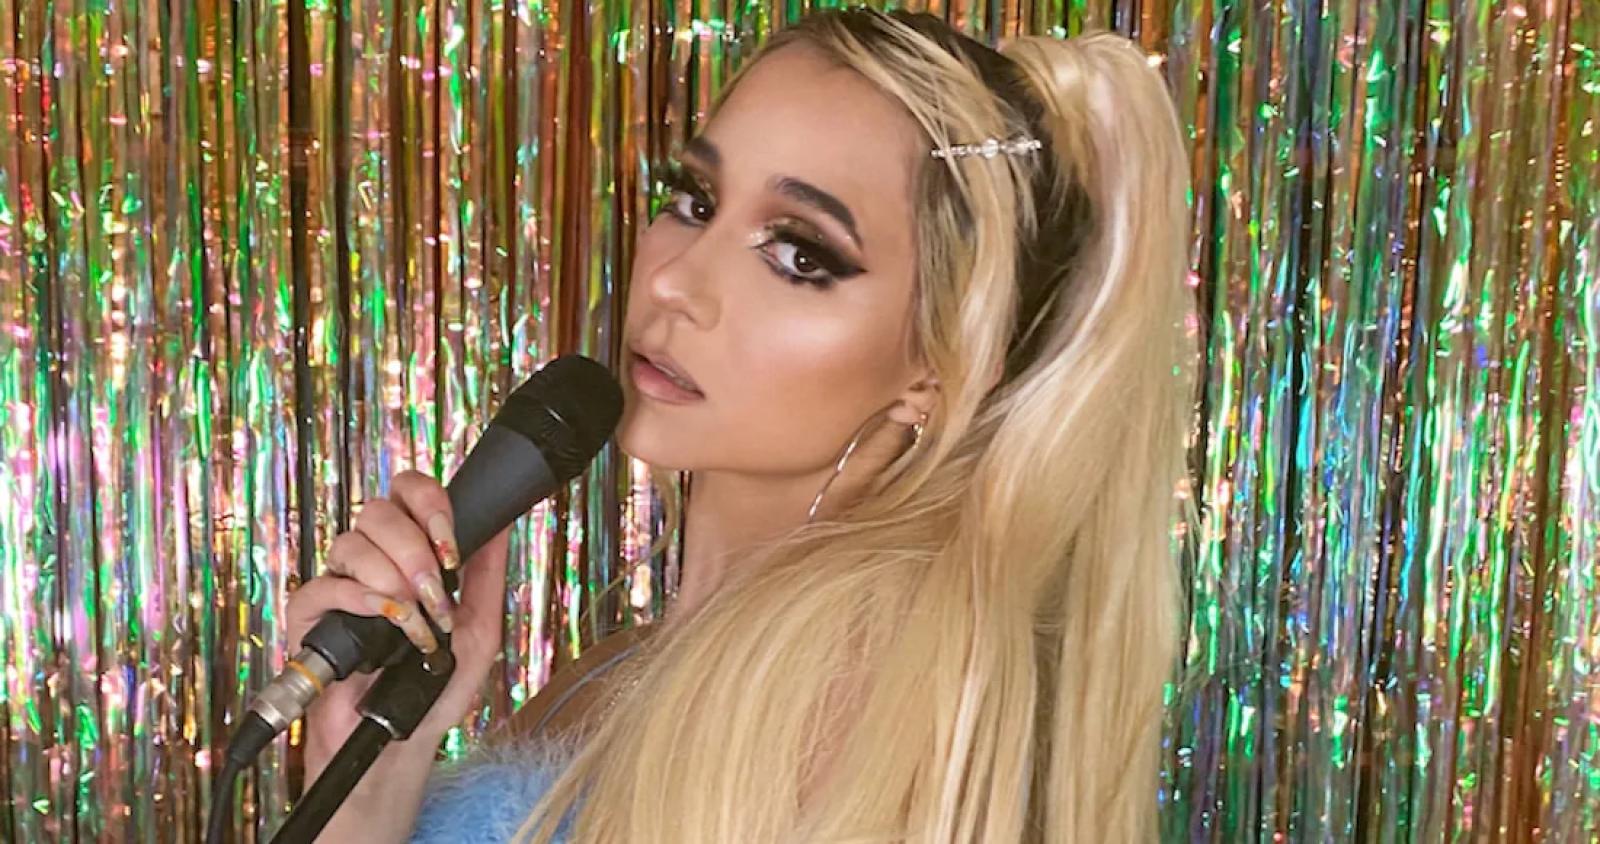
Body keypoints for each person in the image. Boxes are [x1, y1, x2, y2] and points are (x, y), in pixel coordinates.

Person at [284, 6, 1197, 841]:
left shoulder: (867, 717)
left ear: (940, 365)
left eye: (799, 254)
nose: (674, 280)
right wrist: (364, 770)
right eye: (695, 202)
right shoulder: (621, 673)